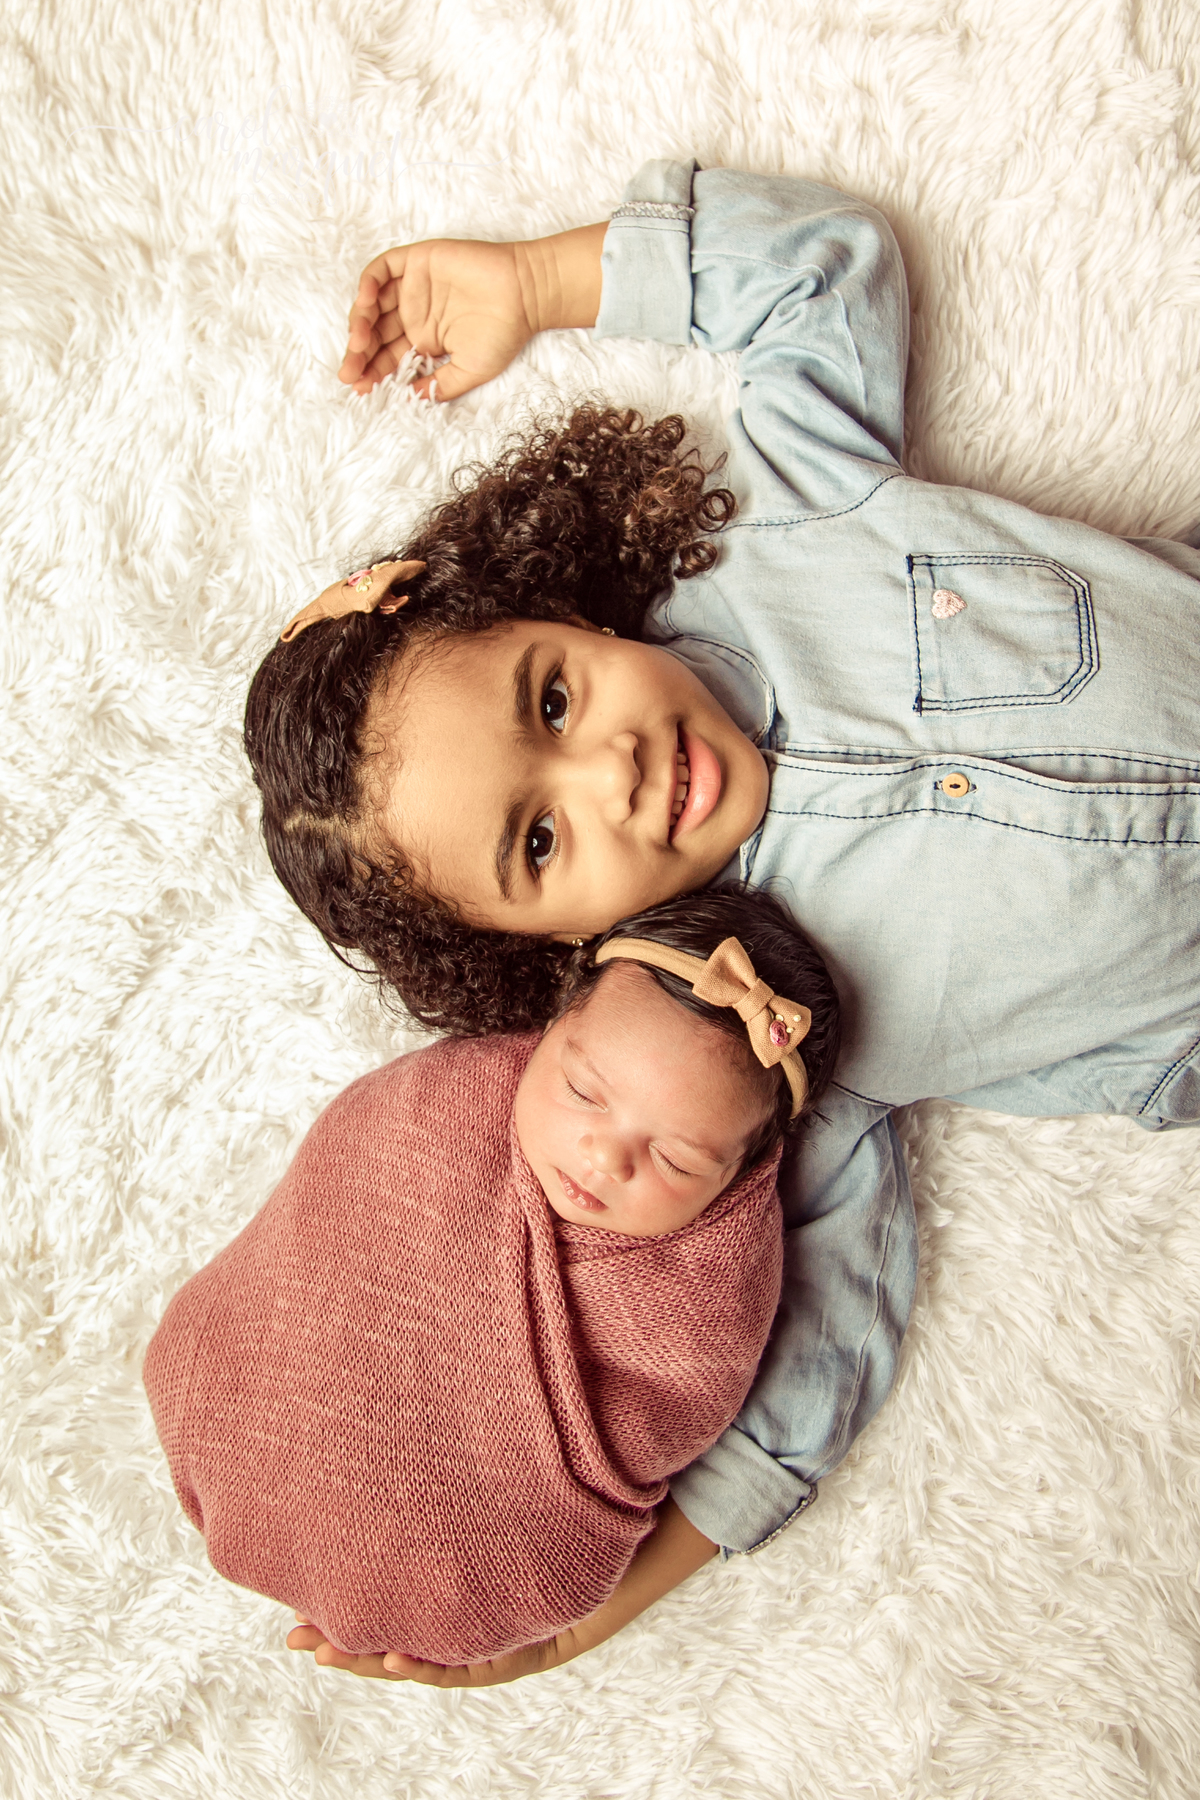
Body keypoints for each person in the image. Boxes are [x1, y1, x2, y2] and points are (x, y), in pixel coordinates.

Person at [245, 159, 1200, 1684]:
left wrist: (540, 285)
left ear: (552, 605)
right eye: (543, 837)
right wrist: (612, 1603)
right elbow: (822, 1349)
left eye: (552, 696)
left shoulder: (786, 528)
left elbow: (828, 273)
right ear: (539, 949)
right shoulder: (757, 1034)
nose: (610, 765)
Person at [145, 889, 839, 1667]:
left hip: (462, 1563)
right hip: (247, 1394)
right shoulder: (438, 1105)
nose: (605, 1157)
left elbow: (676, 1396)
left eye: (677, 1159)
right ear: (550, 1030)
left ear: (742, 1181)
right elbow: (335, 1199)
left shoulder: (706, 1299)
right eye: (583, 1092)